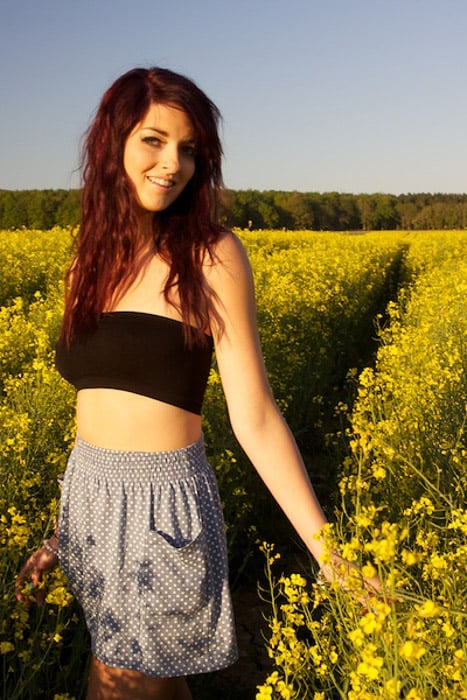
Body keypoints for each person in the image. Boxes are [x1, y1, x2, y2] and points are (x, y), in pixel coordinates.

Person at [15, 67, 379, 700]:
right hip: (91, 503)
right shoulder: (88, 259)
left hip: (164, 510)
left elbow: (255, 415)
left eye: (188, 149)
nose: (172, 163)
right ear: (114, 142)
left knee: (119, 686)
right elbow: (94, 410)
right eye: (154, 140)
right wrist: (62, 531)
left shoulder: (212, 256)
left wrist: (329, 554)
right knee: (142, 685)